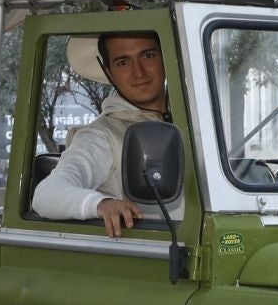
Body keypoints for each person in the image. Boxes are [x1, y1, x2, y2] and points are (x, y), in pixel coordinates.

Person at [30, 30, 173, 236]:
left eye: (148, 55)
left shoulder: (193, 121)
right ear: (109, 73)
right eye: (123, 62)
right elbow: (46, 194)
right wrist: (101, 204)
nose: (139, 72)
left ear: (165, 58)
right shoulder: (101, 135)